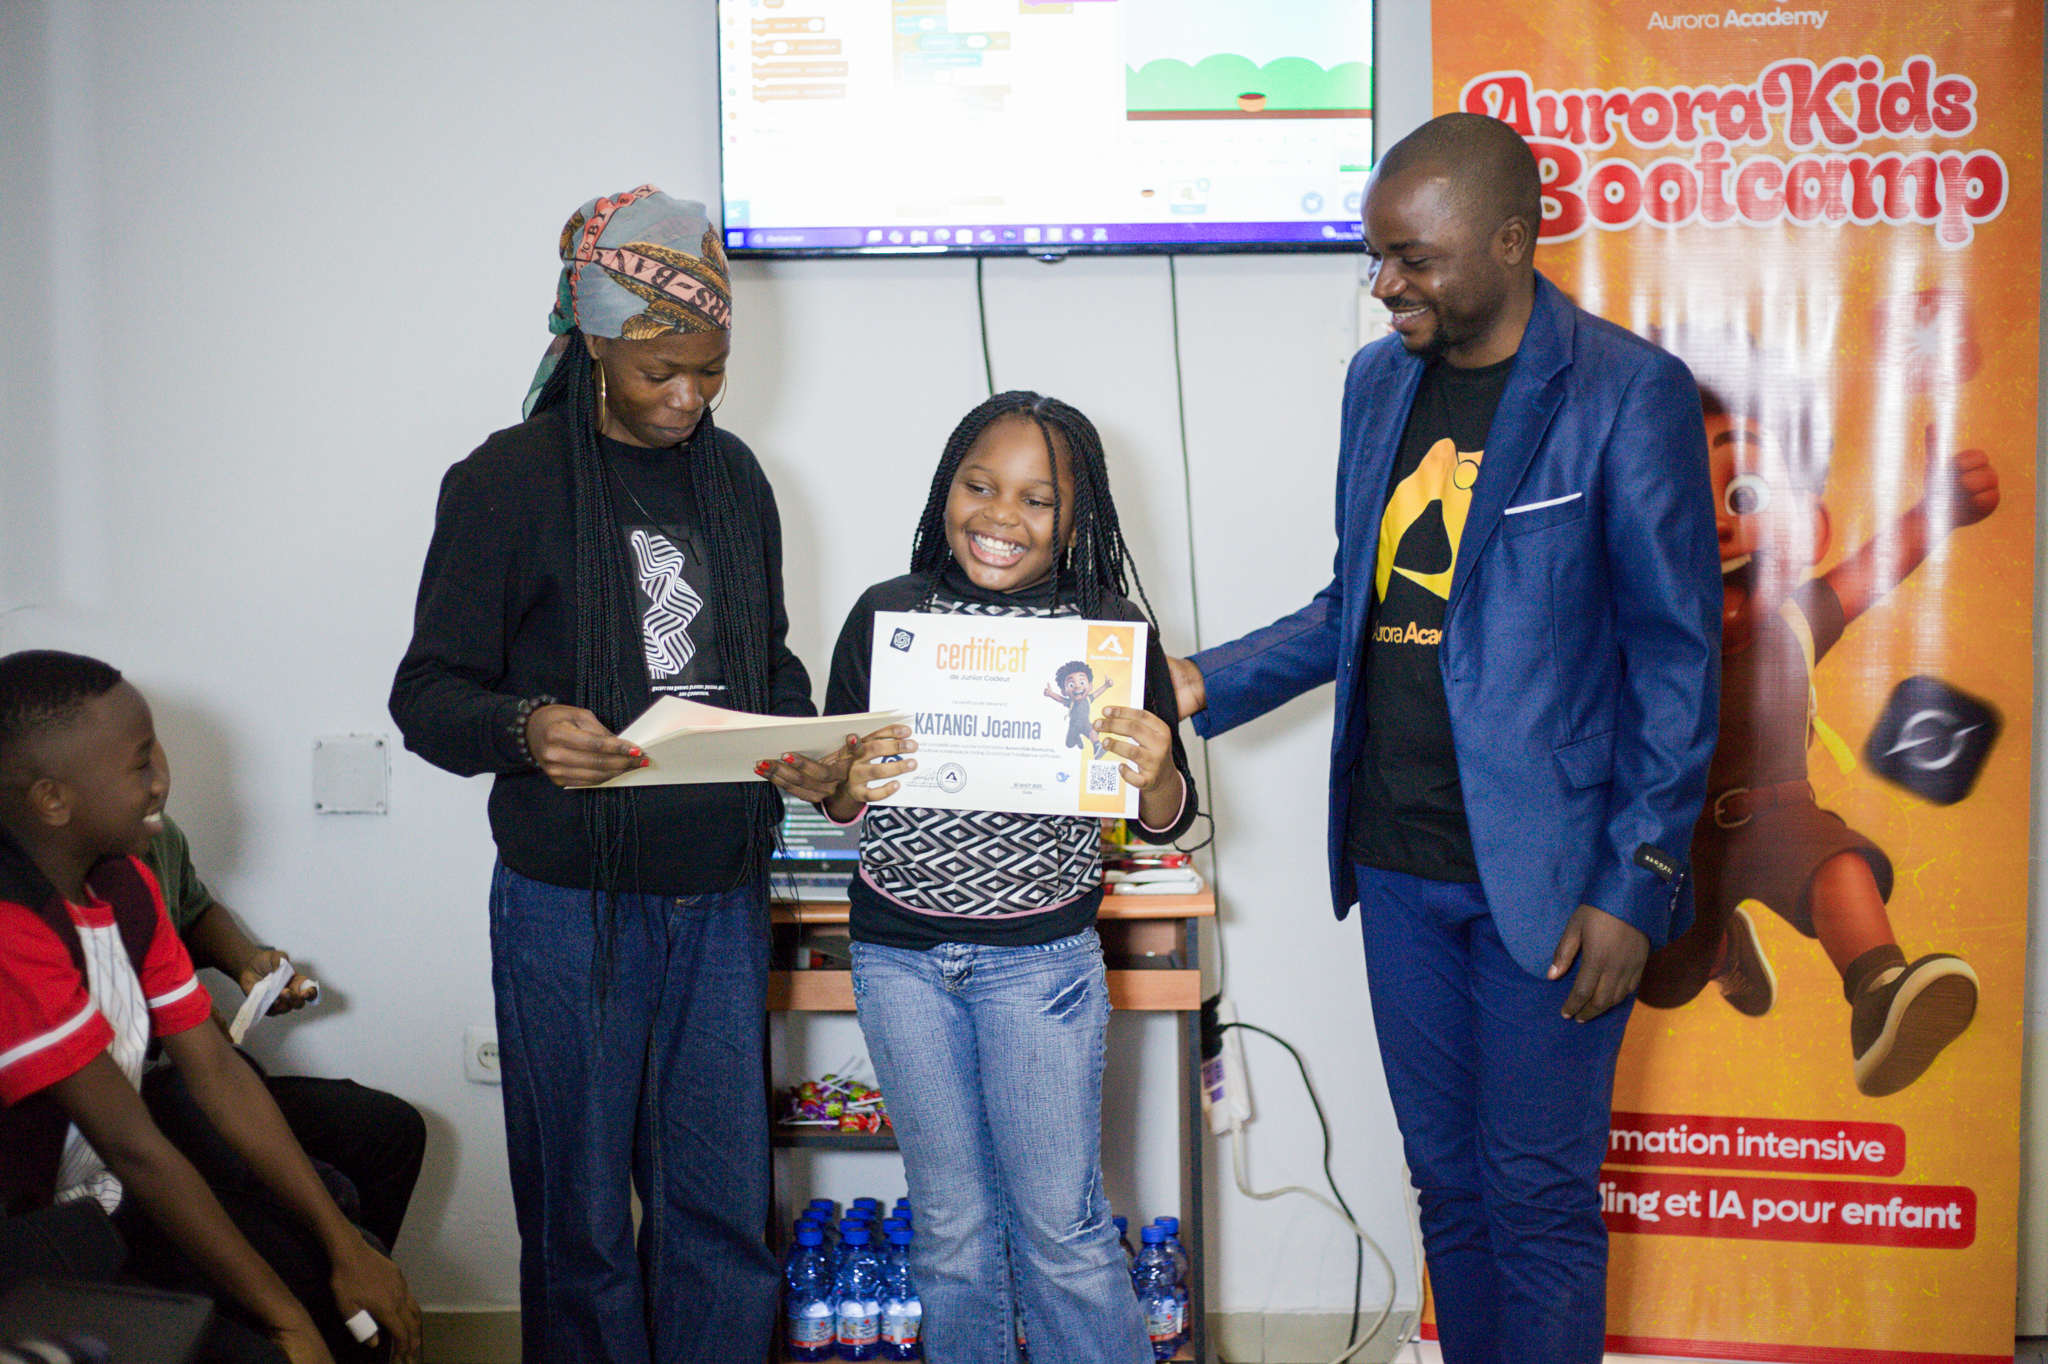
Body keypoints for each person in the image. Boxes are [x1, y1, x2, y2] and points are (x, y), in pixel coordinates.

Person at [1168, 114, 1720, 1363]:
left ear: (1511, 241)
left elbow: (1675, 661)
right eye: (1374, 256)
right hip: (1396, 863)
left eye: (1411, 259)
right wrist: (1195, 682)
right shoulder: (1378, 384)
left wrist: (1635, 880)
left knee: (1536, 1202)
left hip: (1551, 879)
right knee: (1449, 1188)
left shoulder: (1625, 392)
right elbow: (1349, 606)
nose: (1383, 284)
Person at [388, 186, 838, 1364]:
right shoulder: (504, 481)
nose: (689, 396)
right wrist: (525, 725)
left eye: (710, 369)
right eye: (659, 371)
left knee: (721, 1211)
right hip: (567, 901)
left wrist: (808, 748)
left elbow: (766, 665)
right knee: (581, 1221)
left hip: (719, 895)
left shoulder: (735, 478)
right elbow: (426, 693)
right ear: (593, 342)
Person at [819, 392, 1198, 1363]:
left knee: (1062, 1230)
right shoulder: (886, 615)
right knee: (950, 1228)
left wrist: (1158, 769)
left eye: (1037, 499)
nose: (1000, 516)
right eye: (979, 486)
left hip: (1041, 965)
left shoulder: (1108, 632)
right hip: (898, 956)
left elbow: (1167, 814)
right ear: (946, 488)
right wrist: (842, 781)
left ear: (1076, 518)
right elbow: (838, 800)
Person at [0, 650, 421, 1364]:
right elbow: (136, 1147)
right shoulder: (15, 929)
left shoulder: (127, 884)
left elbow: (219, 1074)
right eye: (140, 764)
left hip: (104, 1194)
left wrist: (345, 1249)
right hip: (29, 1234)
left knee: (344, 1283)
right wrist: (288, 1324)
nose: (161, 780)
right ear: (53, 800)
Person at [1636, 333, 1995, 1095]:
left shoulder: (1796, 620)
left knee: (1838, 864)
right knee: (1662, 977)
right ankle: (1721, 953)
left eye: (1743, 495)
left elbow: (1875, 570)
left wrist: (1939, 511)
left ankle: (1881, 995)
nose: (1717, 525)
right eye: (1680, 494)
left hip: (1777, 814)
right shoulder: (1636, 629)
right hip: (1675, 831)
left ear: (1811, 526)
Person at [137, 814, 428, 1252]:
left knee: (390, 1133)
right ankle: (343, 1275)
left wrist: (245, 961)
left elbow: (194, 910)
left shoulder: (157, 834)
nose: (158, 784)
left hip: (188, 1077)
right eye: (138, 774)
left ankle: (358, 1279)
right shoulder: (49, 874)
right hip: (119, 1105)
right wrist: (175, 1015)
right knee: (332, 1203)